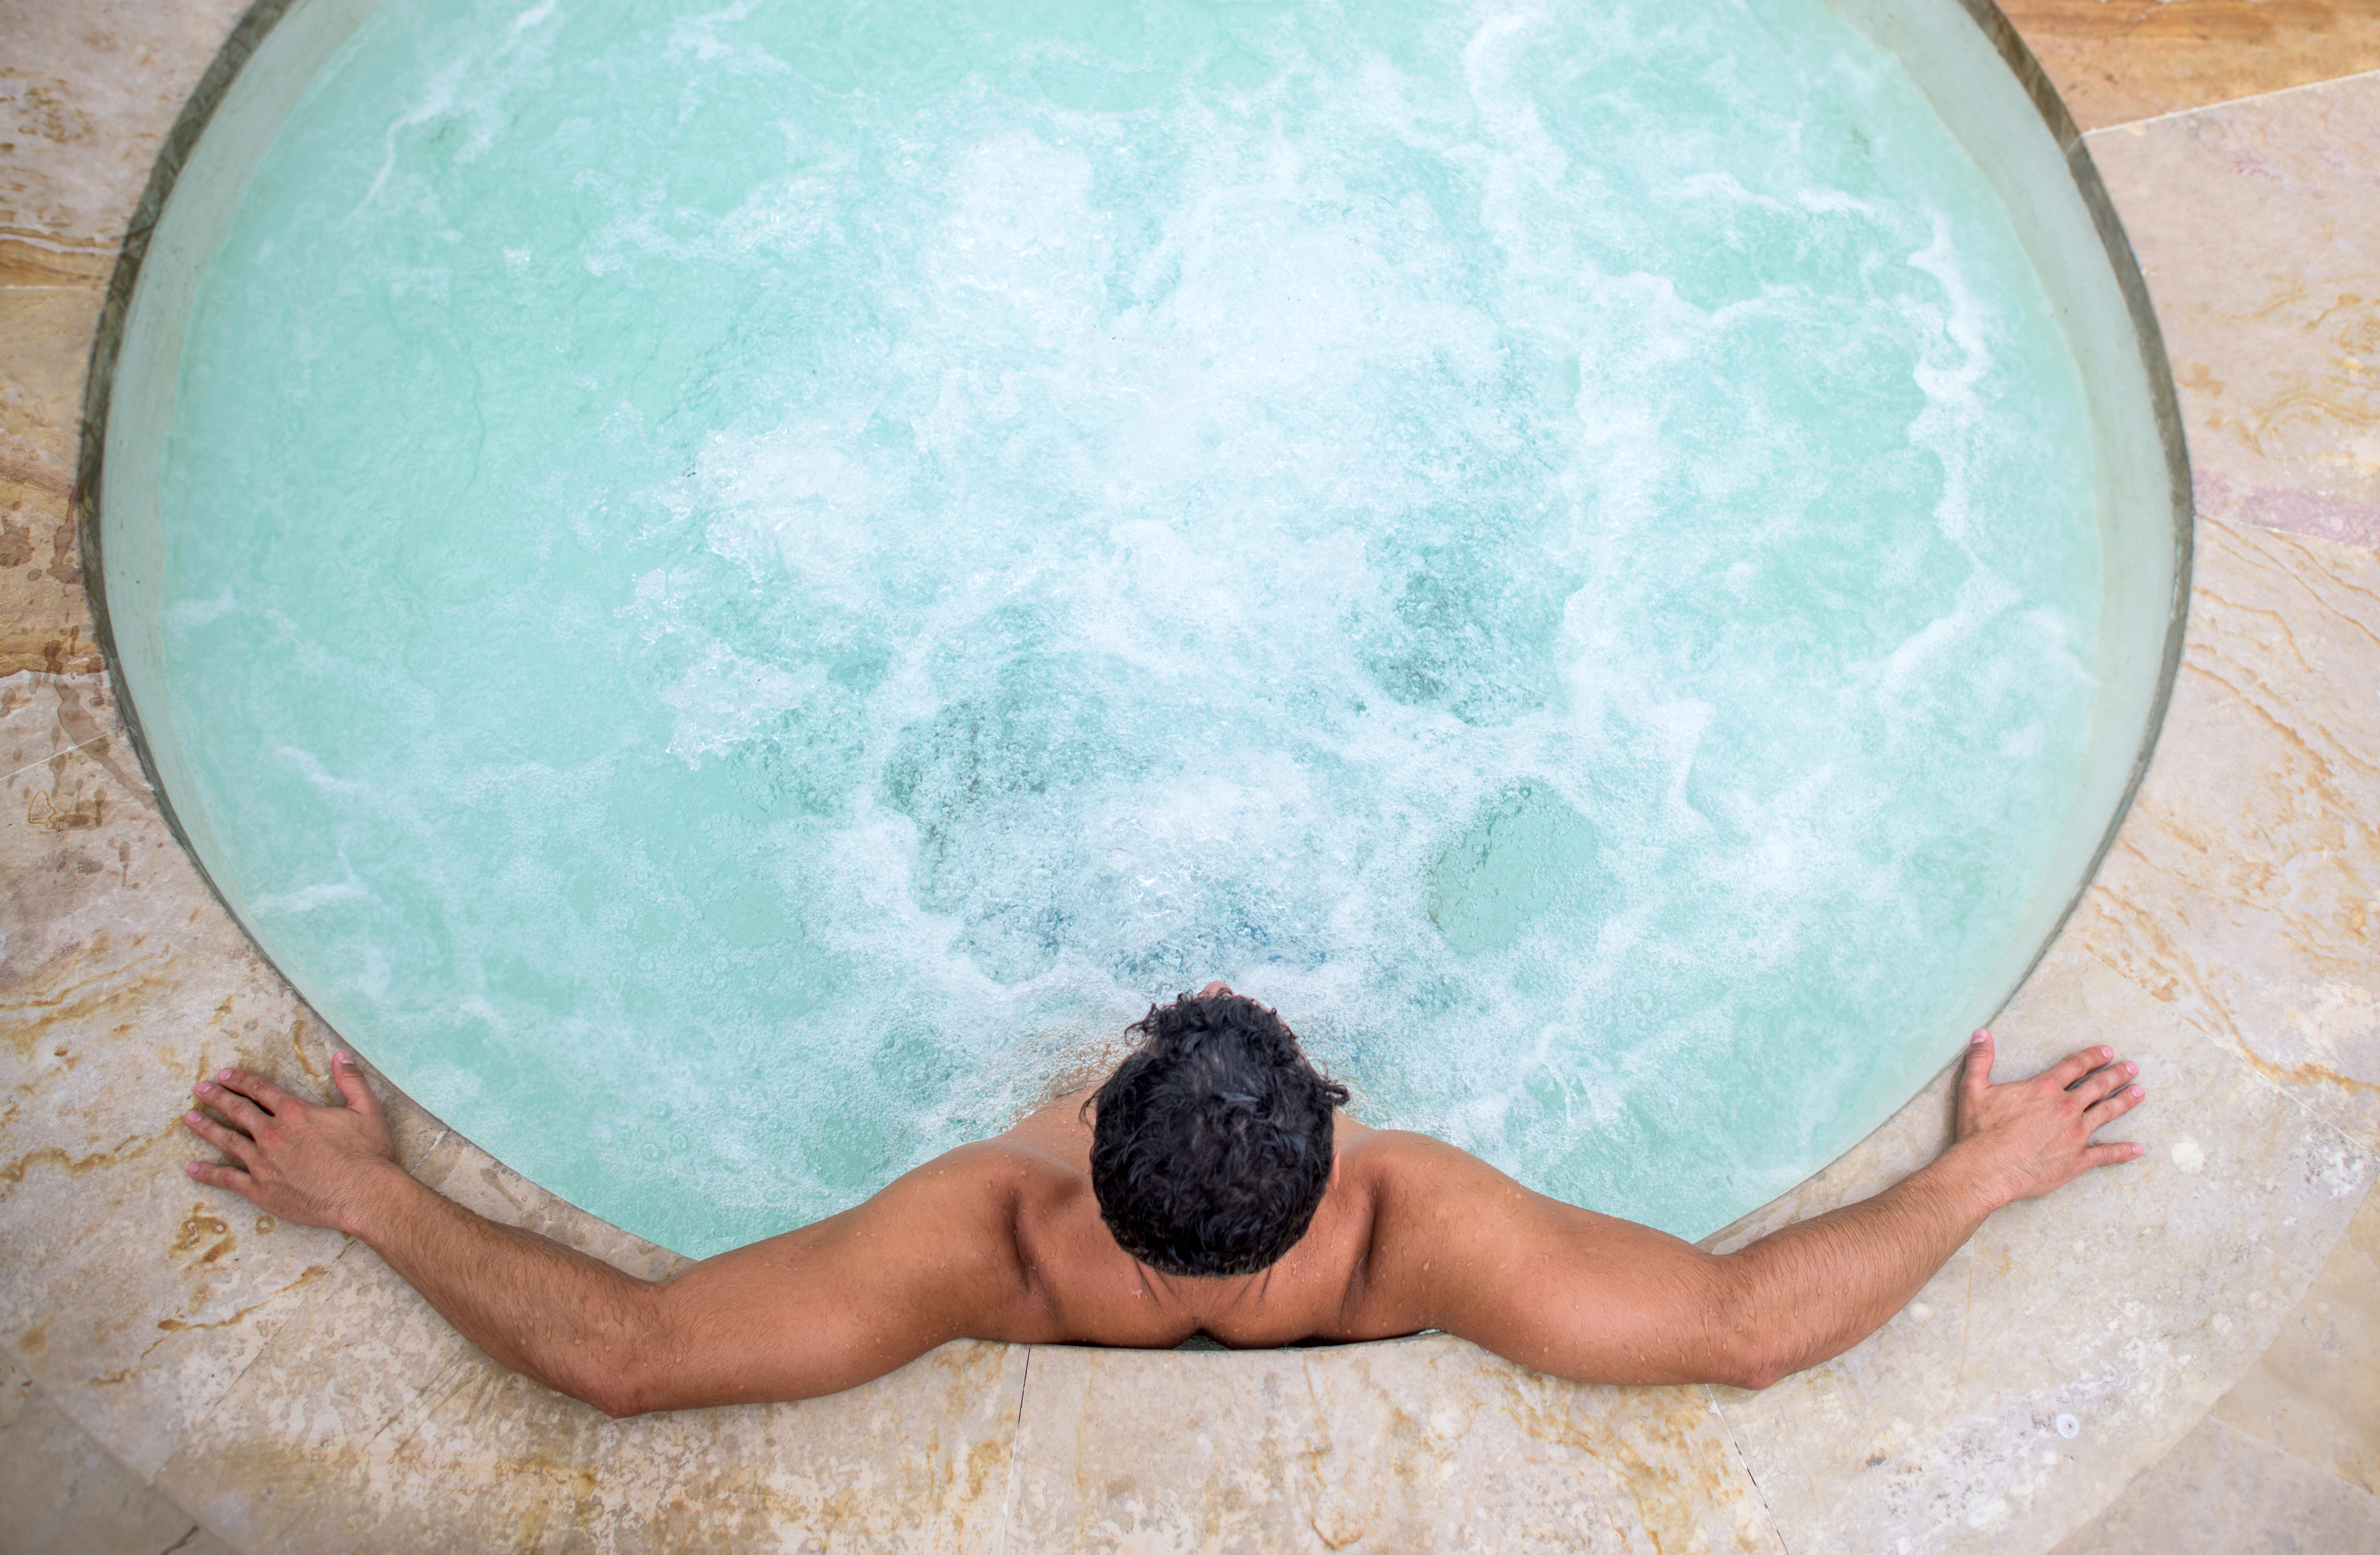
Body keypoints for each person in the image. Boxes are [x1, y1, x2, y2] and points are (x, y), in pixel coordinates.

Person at [179, 982, 2145, 1416]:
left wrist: (372, 1201)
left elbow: (626, 1359)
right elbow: (1742, 1331)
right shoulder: (1411, 1227)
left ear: (1093, 1148)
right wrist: (1985, 1174)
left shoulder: (992, 1237)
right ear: (1329, 1144)